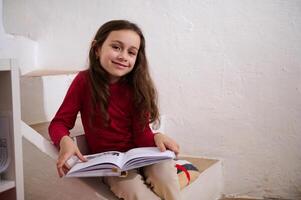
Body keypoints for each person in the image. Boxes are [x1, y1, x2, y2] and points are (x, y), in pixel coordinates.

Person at [49, 20, 181, 200]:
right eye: (116, 47)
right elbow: (59, 123)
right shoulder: (83, 81)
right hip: (111, 163)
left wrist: (157, 136)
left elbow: (142, 135)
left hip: (141, 153)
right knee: (131, 190)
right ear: (97, 49)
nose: (123, 56)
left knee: (166, 177)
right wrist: (64, 140)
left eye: (131, 52)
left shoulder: (137, 86)